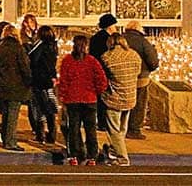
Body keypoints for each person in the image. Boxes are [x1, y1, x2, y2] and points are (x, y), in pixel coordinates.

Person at [57, 34, 108, 166]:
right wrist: (97, 92)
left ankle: (73, 155)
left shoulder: (67, 60)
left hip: (72, 99)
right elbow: (101, 79)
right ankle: (92, 156)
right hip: (89, 99)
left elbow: (63, 80)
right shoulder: (92, 61)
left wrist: (63, 96)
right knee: (90, 129)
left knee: (73, 128)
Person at [100, 32, 143, 167]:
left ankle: (122, 158)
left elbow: (104, 77)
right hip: (130, 96)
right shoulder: (134, 55)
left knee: (113, 129)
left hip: (114, 98)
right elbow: (138, 72)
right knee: (122, 128)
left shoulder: (107, 57)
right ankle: (113, 149)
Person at [0, 23, 32, 152]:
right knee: (12, 115)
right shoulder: (18, 48)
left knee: (6, 114)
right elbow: (24, 66)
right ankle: (10, 141)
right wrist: (29, 81)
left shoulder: (0, 47)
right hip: (16, 84)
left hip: (3, 83)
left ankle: (6, 138)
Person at [123, 20, 159, 140]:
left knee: (123, 103)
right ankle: (134, 129)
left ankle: (121, 127)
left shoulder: (120, 39)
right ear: (139, 29)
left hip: (122, 77)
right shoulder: (143, 42)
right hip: (140, 78)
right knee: (139, 104)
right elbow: (153, 61)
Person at [28, 24, 59, 144]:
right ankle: (51, 134)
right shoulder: (53, 47)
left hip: (39, 80)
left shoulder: (41, 46)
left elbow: (33, 60)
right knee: (50, 108)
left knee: (39, 108)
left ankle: (41, 134)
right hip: (48, 81)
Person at [90, 13, 118, 131]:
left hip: (96, 70)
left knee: (99, 98)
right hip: (106, 71)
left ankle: (101, 121)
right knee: (105, 98)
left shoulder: (94, 38)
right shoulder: (109, 39)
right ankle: (104, 122)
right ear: (110, 26)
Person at [20, 14, 41, 138]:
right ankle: (35, 127)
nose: (31, 25)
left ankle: (38, 126)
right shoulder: (22, 38)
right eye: (29, 22)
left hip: (37, 72)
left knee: (37, 102)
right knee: (32, 102)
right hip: (29, 73)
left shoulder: (37, 37)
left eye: (33, 22)